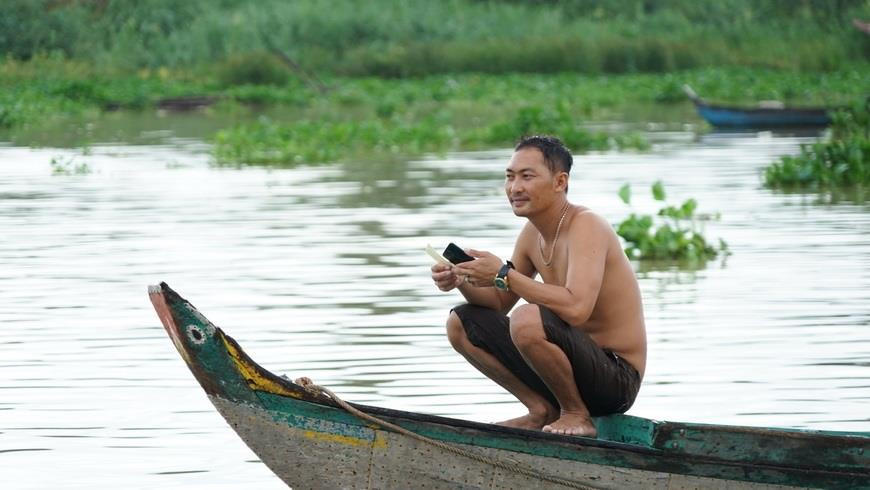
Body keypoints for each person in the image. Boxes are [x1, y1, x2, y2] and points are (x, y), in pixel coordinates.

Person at [430, 135, 646, 438]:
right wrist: (462, 278)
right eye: (510, 177)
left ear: (560, 182)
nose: (515, 188)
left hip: (615, 379)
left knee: (527, 318)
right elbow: (498, 303)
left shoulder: (587, 225)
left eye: (527, 176)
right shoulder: (532, 234)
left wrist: (503, 273)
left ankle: (576, 415)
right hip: (566, 370)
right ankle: (541, 410)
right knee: (461, 323)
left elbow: (576, 308)